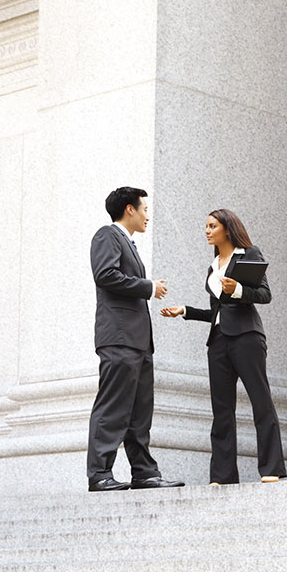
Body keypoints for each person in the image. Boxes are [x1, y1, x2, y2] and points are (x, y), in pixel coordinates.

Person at [160, 209, 287, 485]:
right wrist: (185, 310)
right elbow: (216, 312)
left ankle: (271, 469)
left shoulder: (249, 254)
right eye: (206, 226)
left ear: (227, 229)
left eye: (212, 226)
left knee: (261, 401)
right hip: (218, 342)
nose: (207, 231)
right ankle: (222, 475)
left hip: (247, 338)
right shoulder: (213, 266)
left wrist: (237, 289)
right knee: (221, 410)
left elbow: (264, 294)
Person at [87, 187, 185, 492]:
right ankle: (100, 474)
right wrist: (148, 287)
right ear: (129, 209)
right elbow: (106, 275)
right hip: (119, 338)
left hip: (138, 341)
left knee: (140, 412)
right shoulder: (107, 235)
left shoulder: (127, 242)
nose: (147, 216)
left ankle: (144, 473)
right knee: (113, 407)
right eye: (144, 209)